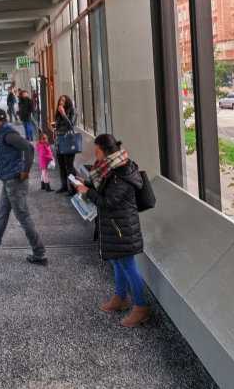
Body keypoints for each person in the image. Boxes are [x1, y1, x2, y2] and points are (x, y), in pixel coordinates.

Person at [72, 134, 149, 328]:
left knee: (129, 268)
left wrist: (87, 191)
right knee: (117, 262)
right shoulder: (110, 168)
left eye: (97, 151)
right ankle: (120, 298)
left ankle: (140, 309)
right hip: (115, 226)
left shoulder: (120, 173)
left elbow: (109, 202)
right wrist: (87, 184)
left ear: (106, 152)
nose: (95, 155)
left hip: (122, 227)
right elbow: (106, 190)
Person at [0, 109, 47, 264]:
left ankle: (40, 253)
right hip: (8, 180)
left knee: (24, 218)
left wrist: (26, 171)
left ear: (1, 121)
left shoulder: (9, 135)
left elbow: (29, 148)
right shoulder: (3, 134)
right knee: (2, 213)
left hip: (15, 182)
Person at [50, 95, 78, 196]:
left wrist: (63, 114)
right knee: (61, 165)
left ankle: (73, 187)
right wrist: (53, 126)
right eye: (60, 100)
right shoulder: (58, 112)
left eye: (63, 101)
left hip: (68, 141)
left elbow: (70, 125)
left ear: (67, 102)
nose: (61, 102)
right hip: (59, 141)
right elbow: (59, 126)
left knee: (69, 165)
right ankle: (64, 185)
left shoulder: (72, 110)